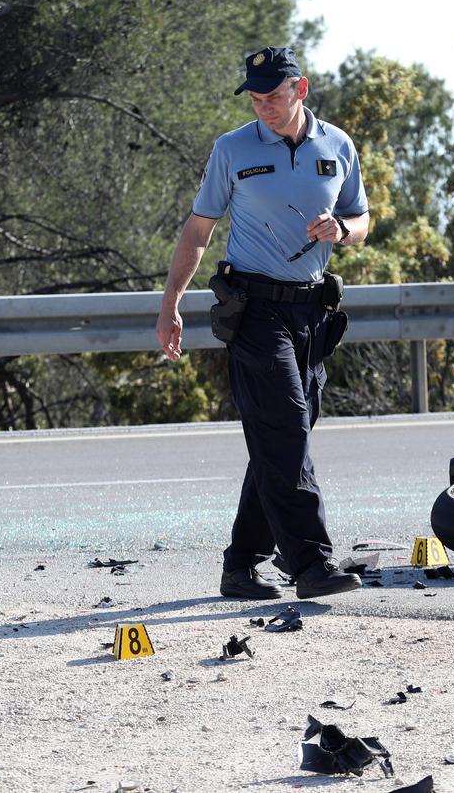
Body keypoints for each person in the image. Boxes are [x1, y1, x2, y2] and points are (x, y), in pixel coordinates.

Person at [156, 46, 370, 601]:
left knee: (282, 440)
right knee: (285, 427)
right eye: (254, 98)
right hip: (254, 312)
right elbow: (198, 229)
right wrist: (170, 302)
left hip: (313, 313)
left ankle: (241, 565)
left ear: (300, 90)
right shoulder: (232, 148)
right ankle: (310, 564)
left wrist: (342, 232)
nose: (263, 107)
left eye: (272, 96)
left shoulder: (337, 145)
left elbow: (361, 217)